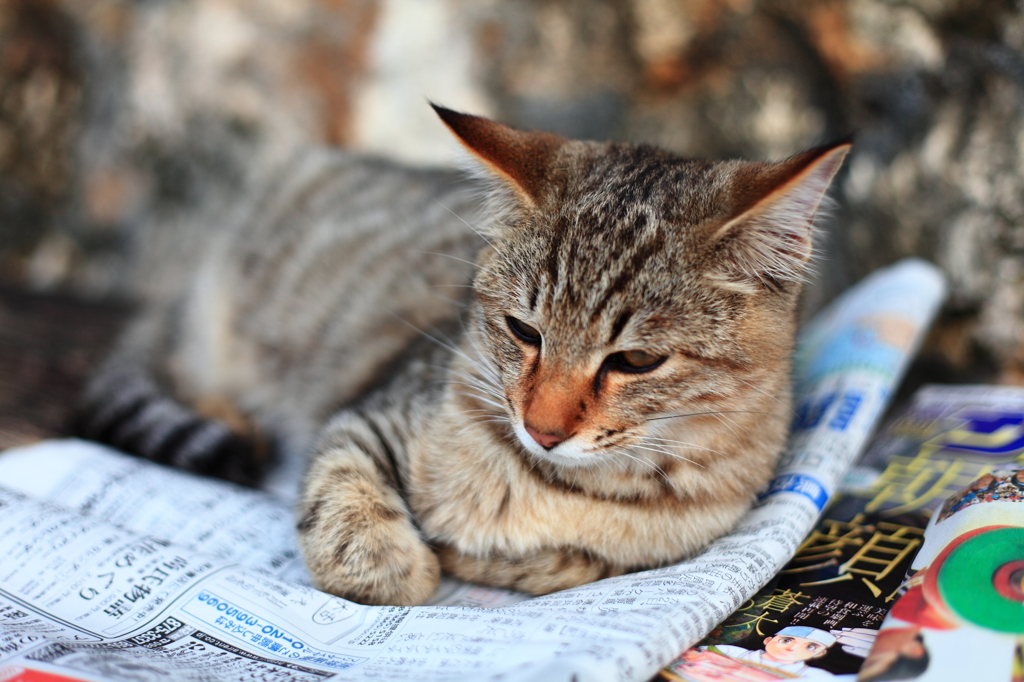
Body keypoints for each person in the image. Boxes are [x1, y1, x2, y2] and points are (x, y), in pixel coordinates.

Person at [708, 626, 838, 678]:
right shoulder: (728, 651)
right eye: (786, 641)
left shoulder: (815, 676)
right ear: (768, 640)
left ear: (819, 653)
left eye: (810, 647)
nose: (792, 648)